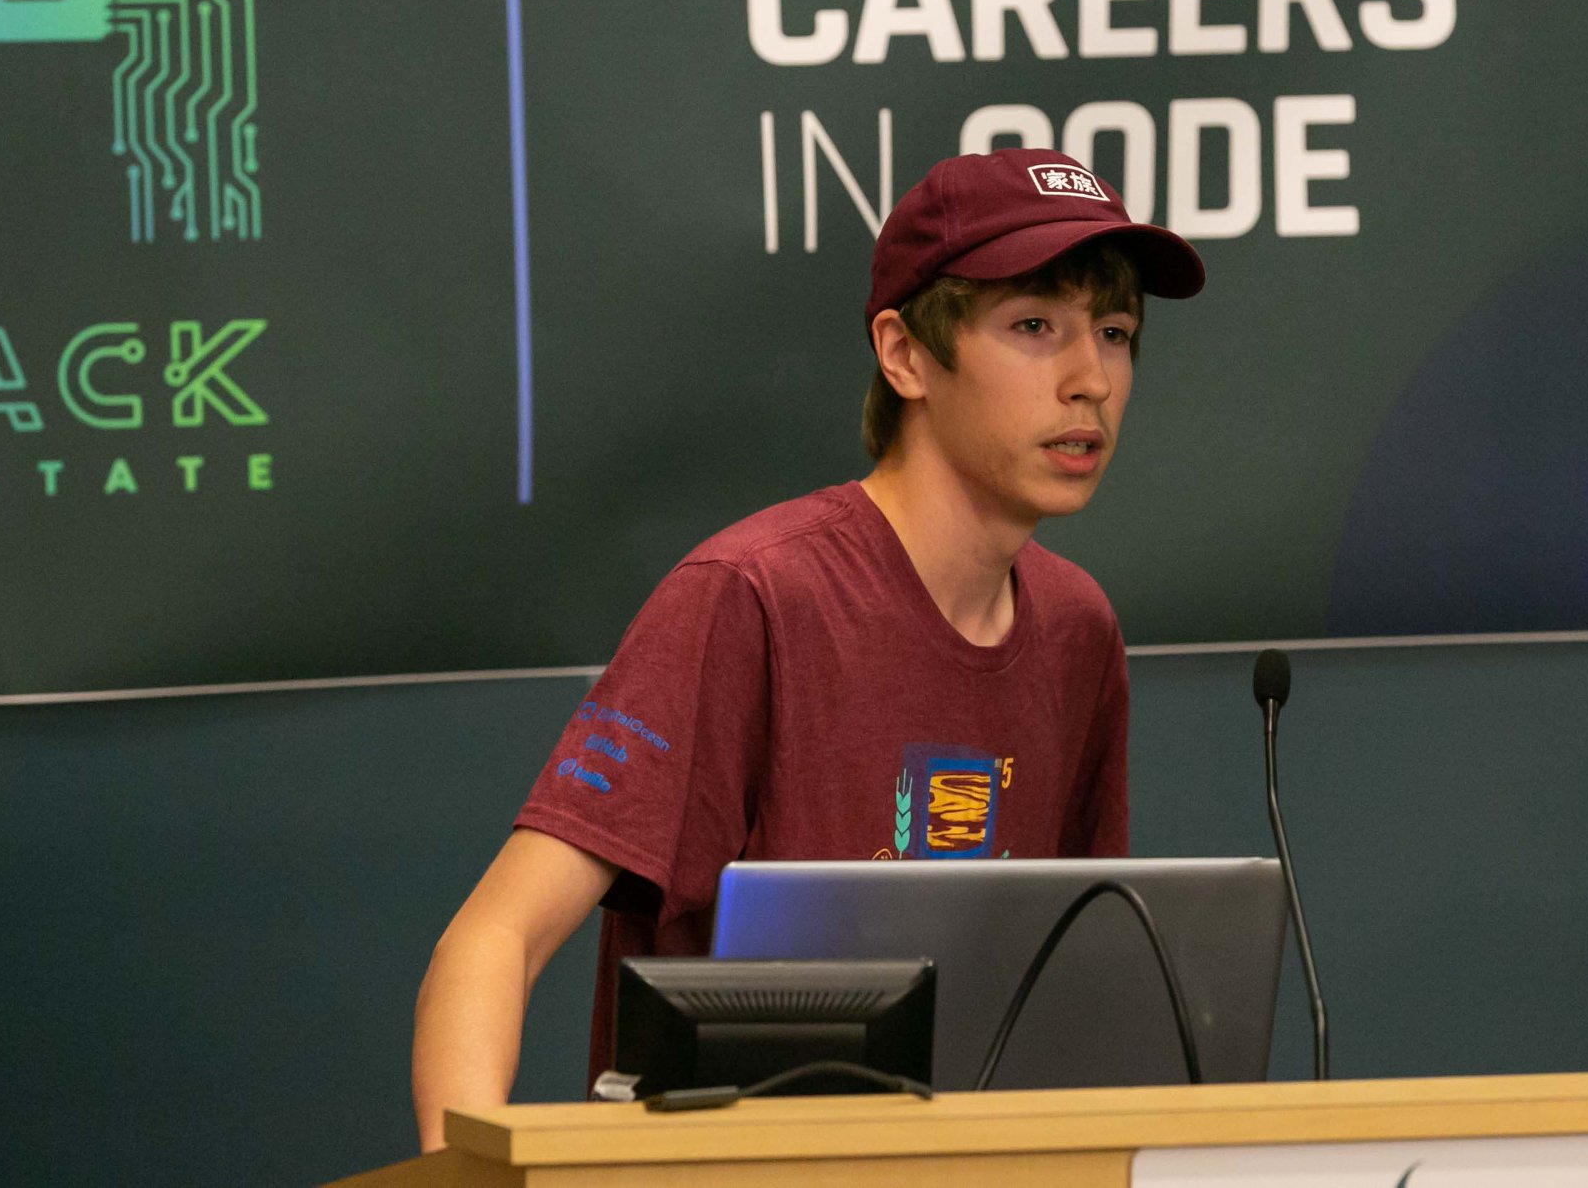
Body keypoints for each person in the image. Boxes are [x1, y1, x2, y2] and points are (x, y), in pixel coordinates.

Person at [409, 148, 1205, 1148]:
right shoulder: (750, 595)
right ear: (905, 353)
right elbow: (492, 936)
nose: (1090, 379)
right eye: (1034, 326)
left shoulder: (1077, 631)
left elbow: (1083, 1002)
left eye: (1115, 331)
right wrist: (459, 1173)